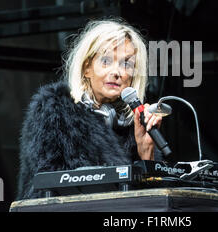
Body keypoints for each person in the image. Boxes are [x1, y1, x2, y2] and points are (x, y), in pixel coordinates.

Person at [16, 17, 163, 200]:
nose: (116, 72)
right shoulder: (54, 110)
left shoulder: (134, 125)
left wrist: (145, 150)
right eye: (106, 61)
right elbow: (46, 188)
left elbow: (149, 201)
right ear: (87, 68)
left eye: (127, 64)